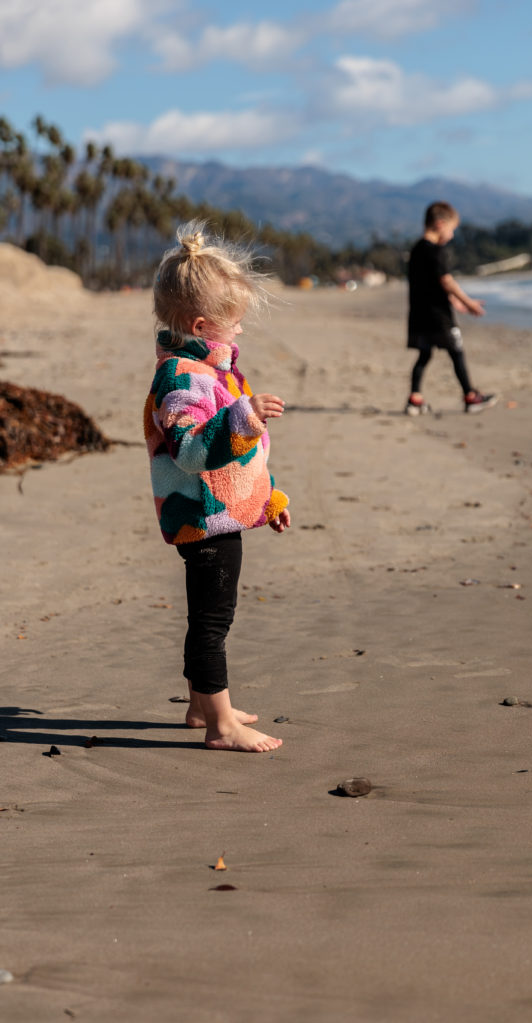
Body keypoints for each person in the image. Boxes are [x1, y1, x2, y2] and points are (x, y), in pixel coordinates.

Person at [144, 221, 289, 752]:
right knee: (212, 620)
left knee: (206, 612)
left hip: (220, 510)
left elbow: (245, 457)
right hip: (202, 517)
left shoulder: (215, 371)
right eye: (236, 323)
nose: (241, 332)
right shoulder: (181, 378)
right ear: (203, 325)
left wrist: (267, 497)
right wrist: (243, 416)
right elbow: (190, 449)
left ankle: (199, 703)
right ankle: (221, 725)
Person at [405, 201, 498, 415]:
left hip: (419, 313)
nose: (452, 235)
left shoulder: (417, 249)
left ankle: (414, 399)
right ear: (440, 224)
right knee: (457, 352)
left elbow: (429, 284)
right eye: (452, 229)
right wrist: (468, 302)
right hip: (438, 315)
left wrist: (455, 302)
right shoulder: (436, 251)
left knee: (424, 355)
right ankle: (470, 396)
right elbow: (446, 281)